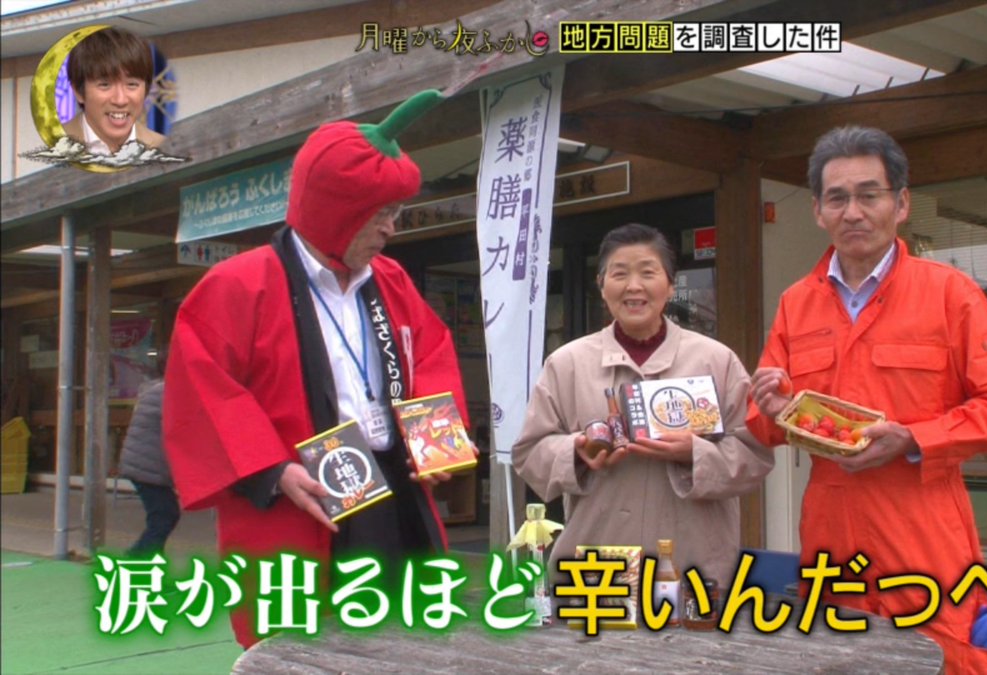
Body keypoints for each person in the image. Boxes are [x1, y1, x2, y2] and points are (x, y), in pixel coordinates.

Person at [163, 90, 468, 648]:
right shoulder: (238, 285)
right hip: (301, 496)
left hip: (392, 487)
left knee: (409, 639)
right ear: (338, 208)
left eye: (396, 214)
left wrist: (434, 440)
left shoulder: (391, 280)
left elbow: (431, 352)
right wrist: (271, 469)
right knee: (301, 648)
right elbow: (204, 390)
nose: (391, 229)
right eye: (382, 214)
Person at [746, 126, 987, 674]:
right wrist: (770, 406)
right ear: (818, 211)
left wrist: (915, 439)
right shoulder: (796, 304)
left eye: (869, 194)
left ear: (901, 204)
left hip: (926, 533)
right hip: (831, 537)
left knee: (946, 659)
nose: (853, 212)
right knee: (835, 662)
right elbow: (764, 423)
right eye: (837, 198)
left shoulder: (949, 293)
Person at [513, 223, 774, 588]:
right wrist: (575, 451)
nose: (634, 286)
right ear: (602, 285)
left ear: (670, 285)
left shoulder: (716, 360)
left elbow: (754, 453)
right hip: (598, 566)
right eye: (619, 274)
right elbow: (529, 452)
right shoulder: (567, 363)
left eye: (648, 273)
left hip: (693, 566)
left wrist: (694, 454)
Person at [63, 26, 165, 155]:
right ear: (78, 92)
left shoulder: (165, 149)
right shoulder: (52, 145)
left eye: (132, 84)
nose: (120, 100)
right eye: (105, 85)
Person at [117, 378, 178, 557]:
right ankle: (136, 558)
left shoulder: (159, 390)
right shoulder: (167, 393)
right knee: (164, 516)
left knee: (164, 515)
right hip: (146, 467)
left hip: (145, 465)